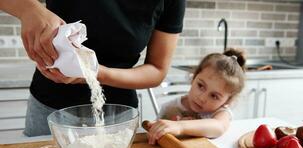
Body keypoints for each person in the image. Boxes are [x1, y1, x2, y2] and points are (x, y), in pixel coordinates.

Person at [0, 0, 185, 136]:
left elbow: (157, 70)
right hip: (50, 112)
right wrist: (29, 9)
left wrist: (96, 73)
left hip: (118, 118)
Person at [147, 48, 246, 145]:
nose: (202, 98)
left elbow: (218, 127)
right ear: (193, 77)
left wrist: (180, 126)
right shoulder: (169, 108)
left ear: (226, 102)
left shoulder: (221, 113)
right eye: (201, 86)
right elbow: (154, 136)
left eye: (214, 96)